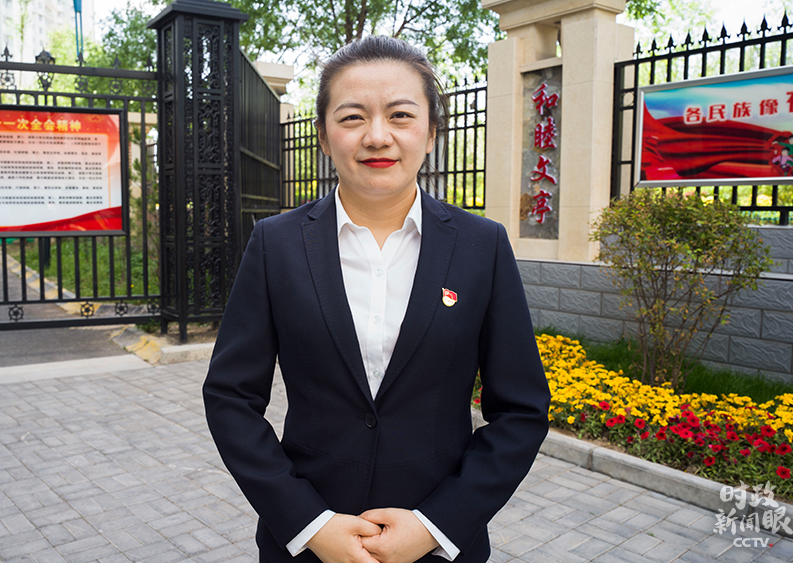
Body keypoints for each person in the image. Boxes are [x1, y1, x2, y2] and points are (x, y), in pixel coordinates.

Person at [203, 35, 550, 563]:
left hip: (436, 547)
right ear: (324, 136)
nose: (377, 136)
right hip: (307, 544)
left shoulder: (482, 246)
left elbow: (521, 410)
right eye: (352, 118)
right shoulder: (276, 244)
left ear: (431, 133)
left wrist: (436, 525)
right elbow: (230, 397)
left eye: (401, 115)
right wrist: (309, 523)